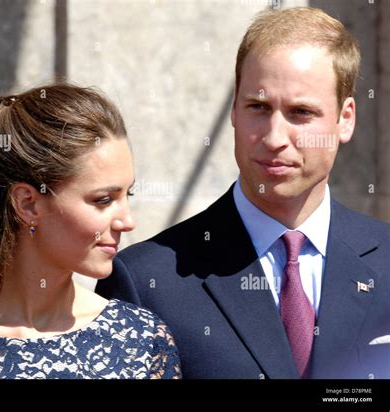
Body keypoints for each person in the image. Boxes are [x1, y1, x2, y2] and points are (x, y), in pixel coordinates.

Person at [97, 7, 390, 379]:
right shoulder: (145, 283)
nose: (274, 138)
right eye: (258, 107)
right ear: (234, 108)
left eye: (300, 112)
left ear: (345, 118)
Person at [0, 83, 181, 379]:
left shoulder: (140, 342)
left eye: (126, 196)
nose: (127, 221)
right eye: (103, 200)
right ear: (28, 204)